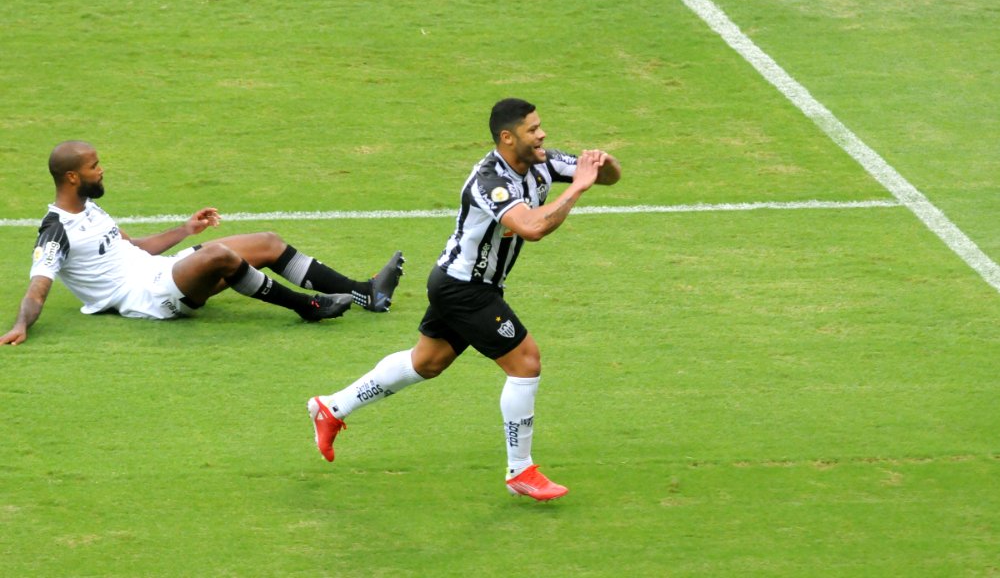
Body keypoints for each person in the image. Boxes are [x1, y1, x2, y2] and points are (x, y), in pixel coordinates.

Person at [307, 98, 621, 501]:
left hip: (459, 283)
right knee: (526, 362)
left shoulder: (543, 160)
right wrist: (578, 187)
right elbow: (532, 228)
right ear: (508, 138)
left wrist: (601, 163)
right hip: (464, 289)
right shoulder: (489, 181)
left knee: (426, 362)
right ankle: (520, 471)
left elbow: (608, 176)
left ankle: (331, 407)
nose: (542, 134)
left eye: (540, 126)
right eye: (532, 129)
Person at [0, 140, 405, 346]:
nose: (101, 170)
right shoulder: (56, 230)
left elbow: (135, 247)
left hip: (162, 272)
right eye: (94, 166)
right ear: (72, 177)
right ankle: (309, 307)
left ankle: (366, 293)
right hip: (148, 297)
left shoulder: (91, 209)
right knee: (220, 255)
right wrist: (21, 324)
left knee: (266, 242)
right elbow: (38, 287)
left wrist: (185, 230)